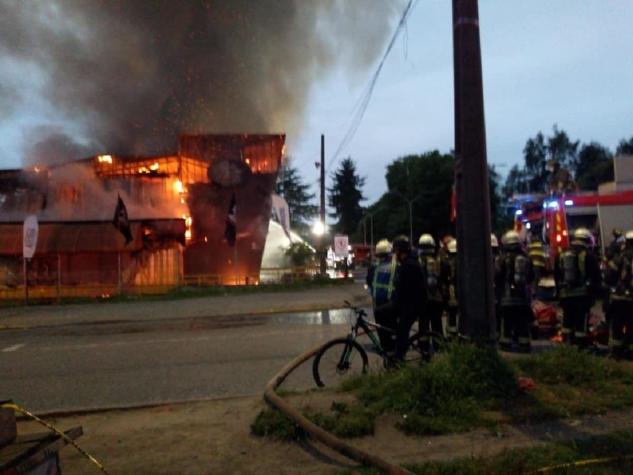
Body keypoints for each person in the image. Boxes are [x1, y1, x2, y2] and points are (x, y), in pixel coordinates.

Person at [554, 228, 602, 347]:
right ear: (586, 240)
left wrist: (559, 292)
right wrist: (595, 293)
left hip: (565, 294)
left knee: (567, 320)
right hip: (582, 295)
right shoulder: (588, 255)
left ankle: (566, 346)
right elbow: (596, 276)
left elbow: (557, 275)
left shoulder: (562, 253)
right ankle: (581, 348)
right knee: (581, 321)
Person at [495, 230, 534, 352]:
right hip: (523, 297)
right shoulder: (526, 258)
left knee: (506, 322)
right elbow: (531, 276)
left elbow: (497, 276)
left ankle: (506, 345)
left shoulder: (501, 259)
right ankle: (524, 345)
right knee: (522, 321)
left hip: (506, 297)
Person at [392, 235, 427, 362]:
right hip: (411, 304)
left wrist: (395, 304)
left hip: (412, 306)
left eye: (396, 251)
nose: (395, 254)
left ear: (401, 251)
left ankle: (399, 359)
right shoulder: (409, 263)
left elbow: (405, 290)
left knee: (402, 331)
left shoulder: (409, 265)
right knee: (400, 328)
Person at [604, 230, 633, 358]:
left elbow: (609, 277)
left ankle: (616, 353)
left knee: (617, 325)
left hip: (620, 299)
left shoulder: (620, 257)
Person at [366, 239, 397, 352]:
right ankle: (392, 346)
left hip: (377, 301)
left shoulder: (374, 266)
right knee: (391, 326)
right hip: (390, 301)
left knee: (380, 325)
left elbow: (369, 282)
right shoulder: (396, 266)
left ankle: (384, 346)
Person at [418, 234, 444, 350]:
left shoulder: (417, 260)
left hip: (422, 299)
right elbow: (435, 281)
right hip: (435, 298)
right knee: (436, 324)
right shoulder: (436, 260)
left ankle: (424, 347)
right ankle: (438, 346)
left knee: (423, 325)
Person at [442, 238, 459, 338]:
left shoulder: (446, 261)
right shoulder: (462, 261)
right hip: (459, 288)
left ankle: (451, 334)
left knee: (451, 312)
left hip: (451, 288)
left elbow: (443, 277)